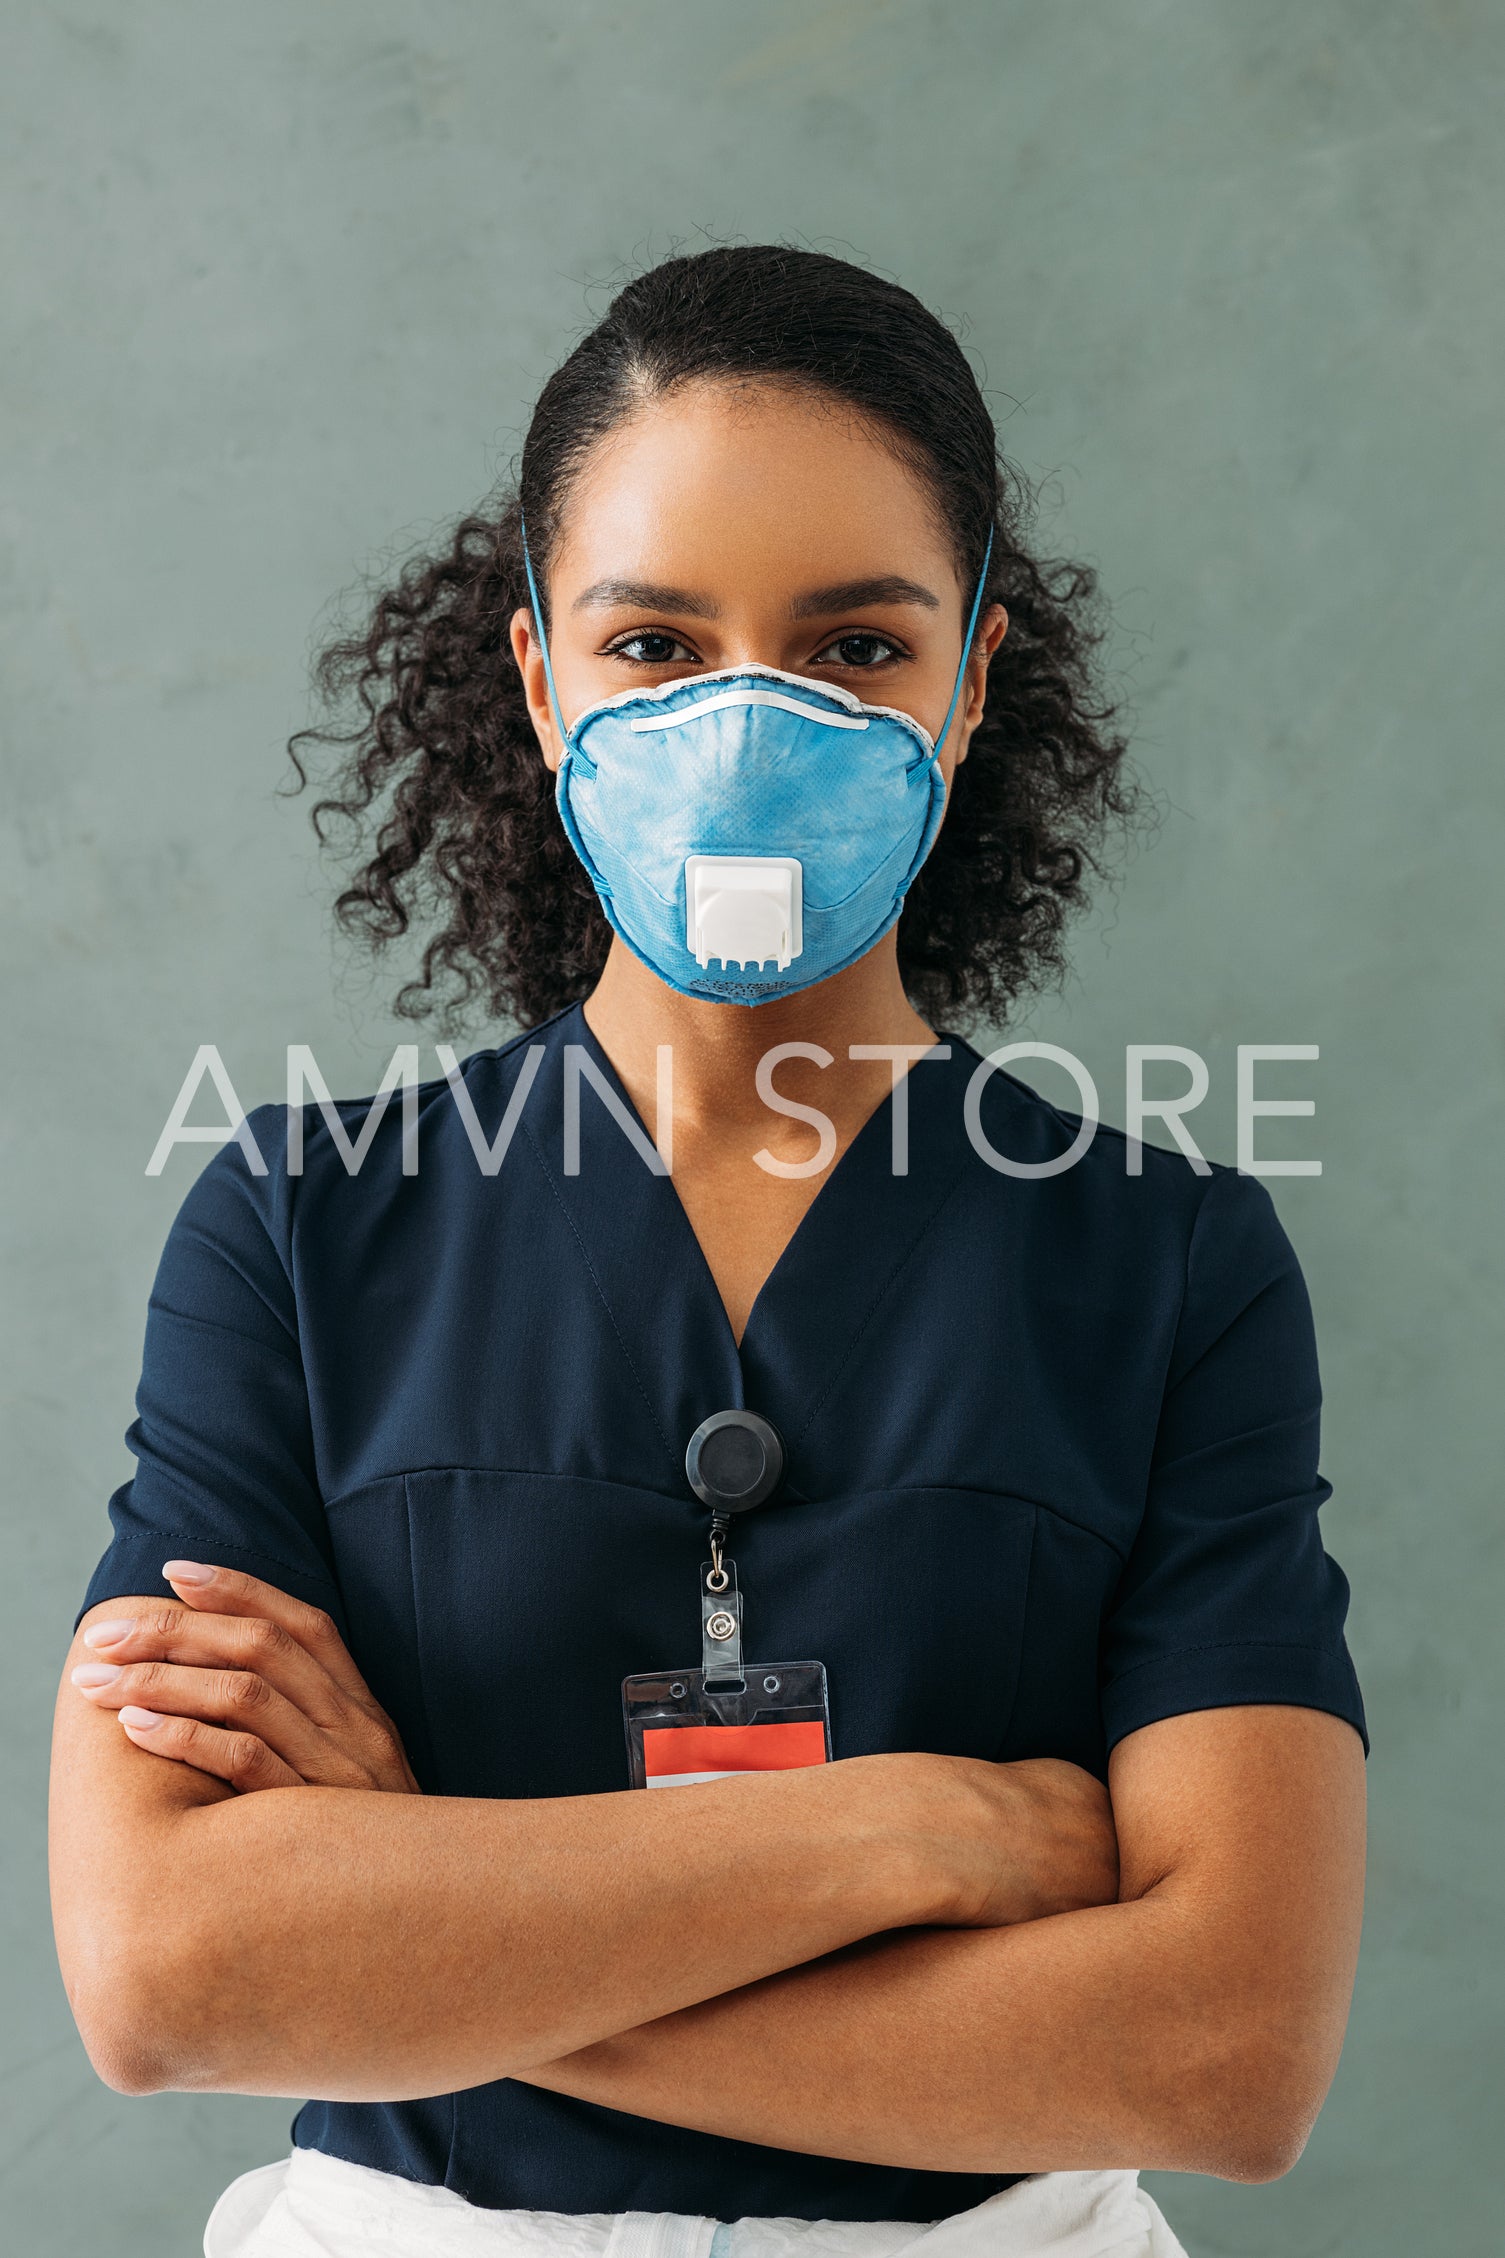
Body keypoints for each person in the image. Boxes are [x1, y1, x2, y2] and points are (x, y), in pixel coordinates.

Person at [49, 246, 1367, 2258]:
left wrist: (418, 1919)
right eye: (657, 646)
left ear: (975, 677)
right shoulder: (298, 1232)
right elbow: (165, 1976)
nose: (748, 734)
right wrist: (912, 1830)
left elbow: (1221, 2055)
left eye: (851, 649)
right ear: (536, 672)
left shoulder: (1166, 1262)